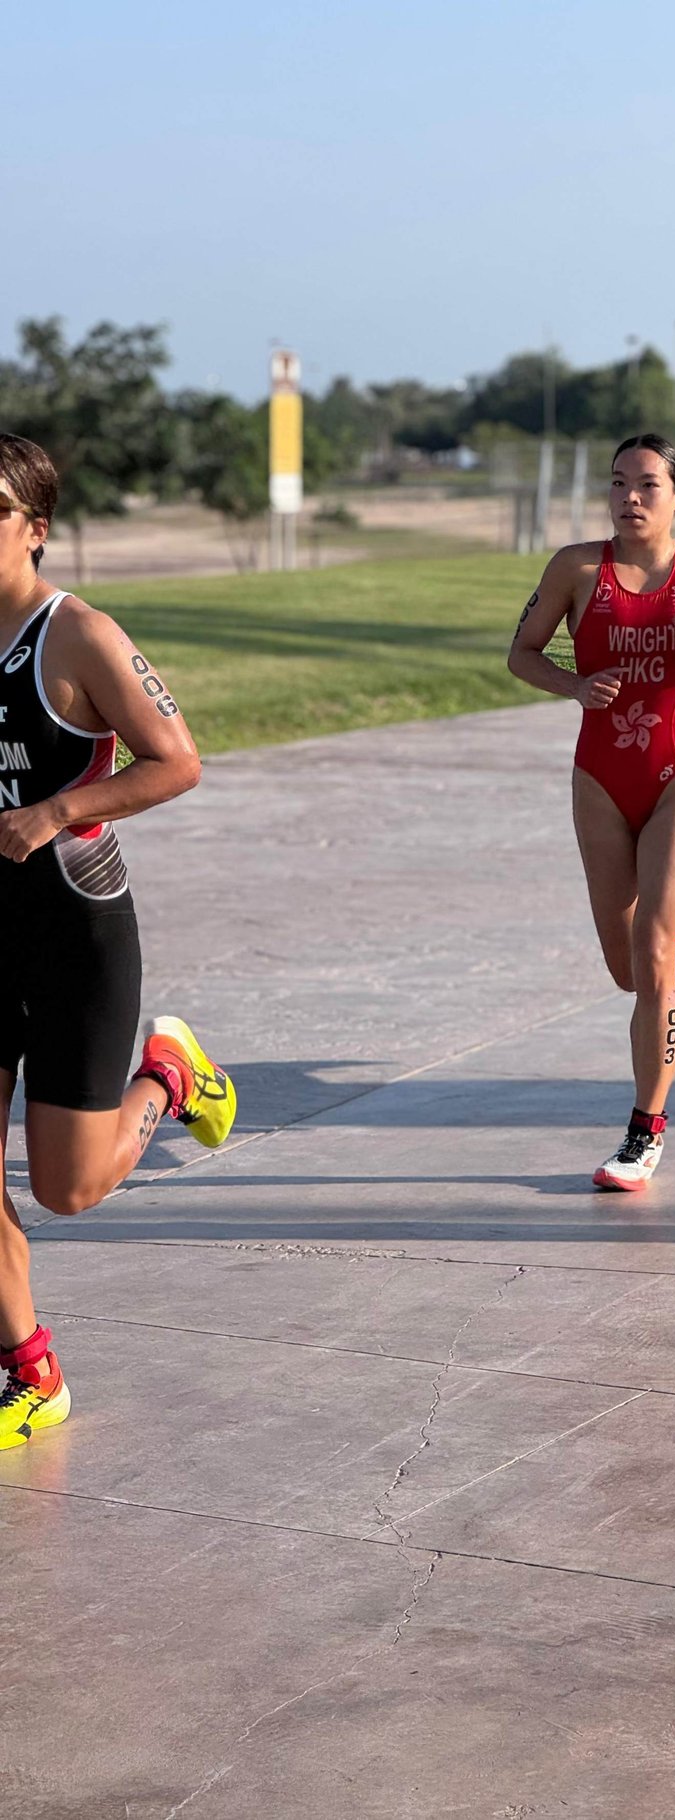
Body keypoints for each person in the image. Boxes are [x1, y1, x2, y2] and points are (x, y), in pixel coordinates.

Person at [0, 432, 237, 1449]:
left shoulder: (79, 636)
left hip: (72, 931)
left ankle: (170, 1077)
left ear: (36, 531)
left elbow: (177, 760)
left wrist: (56, 812)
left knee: (68, 1185)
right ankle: (30, 1370)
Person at [509, 434, 675, 1188]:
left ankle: (643, 1132)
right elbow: (521, 652)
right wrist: (574, 686)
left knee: (655, 962)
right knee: (625, 969)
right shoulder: (574, 567)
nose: (629, 496)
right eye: (619, 482)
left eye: (648, 485)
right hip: (600, 776)